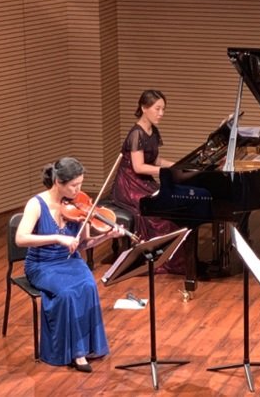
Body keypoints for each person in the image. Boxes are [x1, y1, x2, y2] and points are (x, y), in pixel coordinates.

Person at [15, 157, 123, 372]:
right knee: (67, 293)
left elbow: (83, 244)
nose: (79, 190)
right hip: (42, 264)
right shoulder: (36, 204)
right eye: (74, 185)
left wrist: (108, 236)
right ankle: (73, 352)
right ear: (58, 182)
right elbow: (21, 238)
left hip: (70, 260)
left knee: (89, 286)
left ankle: (88, 347)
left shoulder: (80, 207)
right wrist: (57, 238)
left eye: (81, 183)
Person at [112, 89, 184, 273]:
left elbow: (155, 159)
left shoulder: (152, 130)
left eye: (163, 109)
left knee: (171, 204)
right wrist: (166, 172)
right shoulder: (136, 134)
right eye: (157, 109)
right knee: (157, 212)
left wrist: (176, 165)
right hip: (129, 184)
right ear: (144, 108)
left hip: (143, 181)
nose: (161, 114)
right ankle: (159, 259)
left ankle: (176, 257)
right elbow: (139, 167)